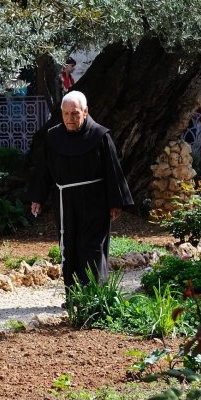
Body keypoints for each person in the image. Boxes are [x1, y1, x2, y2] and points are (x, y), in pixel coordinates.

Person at [27, 91, 133, 286]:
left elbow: (112, 170)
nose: (70, 118)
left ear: (85, 112)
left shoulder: (100, 136)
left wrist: (115, 202)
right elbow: (44, 170)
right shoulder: (53, 137)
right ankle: (74, 294)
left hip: (94, 201)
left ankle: (94, 293)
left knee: (92, 246)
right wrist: (37, 198)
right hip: (65, 201)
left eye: (75, 113)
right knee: (69, 246)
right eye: (66, 114)